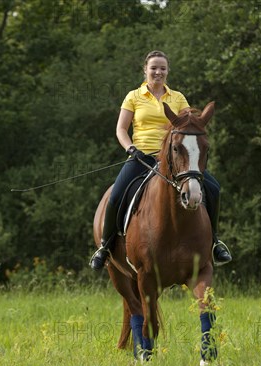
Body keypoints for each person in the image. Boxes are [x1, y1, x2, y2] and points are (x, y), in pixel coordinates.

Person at [90, 50, 231, 270]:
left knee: (213, 188)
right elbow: (120, 129)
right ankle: (105, 247)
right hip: (142, 157)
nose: (158, 72)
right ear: (145, 70)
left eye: (162, 68)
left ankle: (215, 242)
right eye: (154, 68)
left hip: (176, 159)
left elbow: (189, 124)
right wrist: (131, 148)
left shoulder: (177, 97)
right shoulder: (133, 97)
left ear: (167, 71)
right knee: (116, 194)